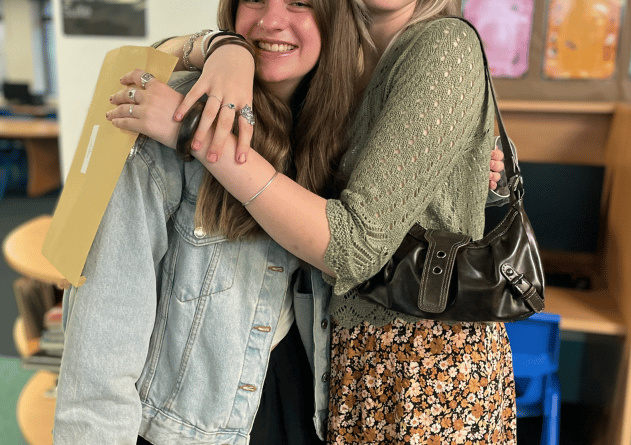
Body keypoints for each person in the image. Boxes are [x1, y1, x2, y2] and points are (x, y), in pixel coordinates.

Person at [111, 0, 517, 443]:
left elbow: (353, 246)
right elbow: (145, 59)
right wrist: (223, 46)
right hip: (345, 362)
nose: (274, 16)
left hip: (424, 366)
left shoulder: (443, 44)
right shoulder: (339, 68)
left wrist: (194, 129)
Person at [52, 1, 362, 444]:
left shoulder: (341, 127)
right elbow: (100, 348)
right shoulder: (166, 112)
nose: (271, 20)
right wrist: (218, 50)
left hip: (296, 399)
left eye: (300, 2)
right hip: (186, 424)